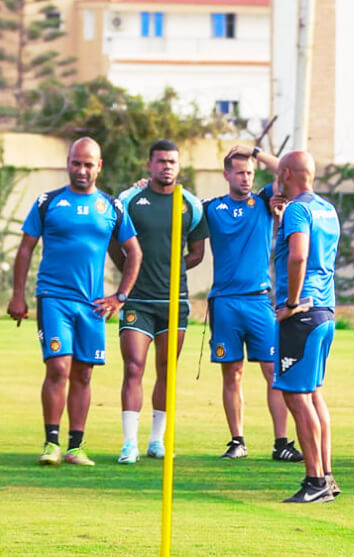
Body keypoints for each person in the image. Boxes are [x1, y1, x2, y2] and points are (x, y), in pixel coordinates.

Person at [7, 137, 142, 466]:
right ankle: (51, 443)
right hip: (54, 298)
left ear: (99, 166)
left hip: (93, 305)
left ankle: (75, 447)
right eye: (75, 163)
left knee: (83, 374)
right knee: (58, 367)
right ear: (68, 163)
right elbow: (25, 248)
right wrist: (17, 294)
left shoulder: (111, 207)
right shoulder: (48, 202)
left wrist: (119, 297)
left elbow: (134, 252)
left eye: (88, 164)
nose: (81, 170)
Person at [112, 139, 209, 464]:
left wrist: (174, 271)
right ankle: (129, 443)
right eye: (161, 161)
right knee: (133, 367)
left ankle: (157, 440)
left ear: (178, 166)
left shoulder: (190, 204)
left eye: (172, 162)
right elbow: (115, 241)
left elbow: (196, 253)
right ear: (150, 164)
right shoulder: (130, 199)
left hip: (174, 302)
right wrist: (129, 271)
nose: (167, 166)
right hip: (138, 300)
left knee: (167, 370)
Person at [203, 145, 303, 461]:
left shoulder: (262, 202)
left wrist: (255, 152)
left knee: (274, 372)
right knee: (232, 373)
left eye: (249, 172)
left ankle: (281, 443)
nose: (246, 178)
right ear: (226, 174)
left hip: (259, 301)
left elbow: (287, 171)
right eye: (240, 172)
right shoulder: (212, 208)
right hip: (224, 303)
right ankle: (237, 441)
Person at [271, 151, 341, 503]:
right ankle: (327, 476)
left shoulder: (297, 210)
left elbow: (298, 255)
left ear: (285, 173)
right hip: (326, 311)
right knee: (313, 393)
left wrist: (292, 302)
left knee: (296, 396)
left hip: (303, 314)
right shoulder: (326, 208)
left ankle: (314, 482)